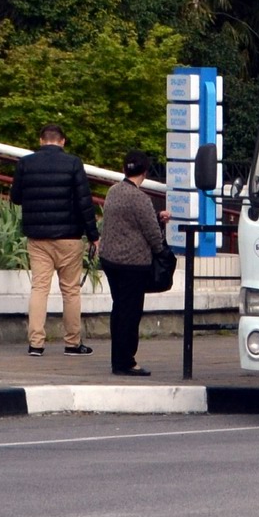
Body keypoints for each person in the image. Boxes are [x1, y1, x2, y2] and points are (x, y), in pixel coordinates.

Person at [9, 123, 100, 358]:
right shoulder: (73, 163)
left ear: (41, 141)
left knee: (39, 288)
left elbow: (16, 197)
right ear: (63, 141)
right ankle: (72, 343)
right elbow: (84, 202)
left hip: (38, 237)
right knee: (70, 291)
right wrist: (93, 236)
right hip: (69, 237)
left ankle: (36, 344)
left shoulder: (25, 163)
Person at [98, 151, 171, 376]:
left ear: (125, 169)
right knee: (130, 313)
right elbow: (151, 234)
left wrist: (155, 217)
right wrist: (162, 249)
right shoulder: (140, 198)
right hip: (132, 264)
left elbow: (126, 221)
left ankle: (117, 359)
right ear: (145, 172)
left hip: (110, 260)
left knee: (119, 309)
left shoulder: (113, 191)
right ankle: (126, 362)